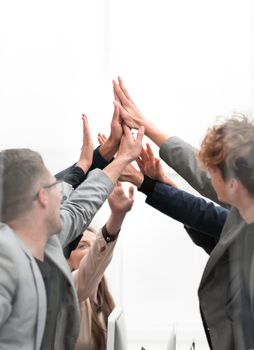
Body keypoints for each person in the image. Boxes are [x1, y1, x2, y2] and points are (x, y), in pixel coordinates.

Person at [113, 77, 254, 350]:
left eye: (213, 171)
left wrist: (149, 178)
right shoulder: (243, 217)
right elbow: (202, 210)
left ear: (233, 183)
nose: (207, 176)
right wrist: (155, 180)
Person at [0, 110, 144, 350]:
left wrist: (106, 159)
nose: (63, 193)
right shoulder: (5, 256)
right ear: (43, 197)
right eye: (55, 187)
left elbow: (79, 207)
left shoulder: (46, 239)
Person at [67, 181, 134, 350]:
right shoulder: (69, 288)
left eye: (93, 244)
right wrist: (116, 217)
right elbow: (94, 260)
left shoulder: (102, 295)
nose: (90, 251)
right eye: (82, 246)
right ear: (67, 259)